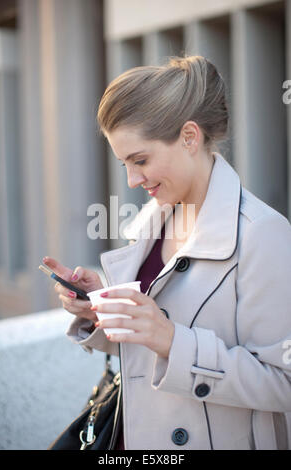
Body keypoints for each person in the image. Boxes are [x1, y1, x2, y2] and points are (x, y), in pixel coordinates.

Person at [44, 55, 291, 450]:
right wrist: (101, 310)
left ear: (190, 137)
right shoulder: (152, 220)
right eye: (124, 162)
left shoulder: (264, 235)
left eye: (140, 160)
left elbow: (284, 382)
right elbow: (149, 349)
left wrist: (173, 340)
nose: (132, 179)